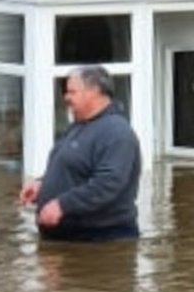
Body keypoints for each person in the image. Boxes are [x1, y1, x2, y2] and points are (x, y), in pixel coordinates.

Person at [18, 65, 141, 242]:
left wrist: (63, 205)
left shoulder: (116, 132)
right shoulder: (79, 125)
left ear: (94, 91)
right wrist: (41, 184)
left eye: (72, 92)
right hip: (68, 240)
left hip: (99, 242)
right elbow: (72, 168)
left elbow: (108, 184)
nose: (66, 98)